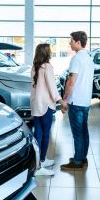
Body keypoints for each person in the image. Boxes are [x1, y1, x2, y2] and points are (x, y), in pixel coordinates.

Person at [60, 31, 94, 171]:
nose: (70, 43)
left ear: (78, 42)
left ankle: (78, 161)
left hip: (76, 102)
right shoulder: (89, 58)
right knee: (84, 131)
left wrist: (64, 100)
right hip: (85, 101)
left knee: (77, 133)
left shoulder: (76, 59)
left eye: (71, 40)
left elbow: (71, 81)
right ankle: (82, 157)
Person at [30, 43, 66, 176]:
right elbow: (52, 87)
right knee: (44, 135)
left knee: (38, 134)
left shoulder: (35, 67)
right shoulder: (47, 67)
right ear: (46, 53)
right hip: (45, 106)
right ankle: (39, 166)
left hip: (36, 105)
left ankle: (40, 161)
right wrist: (61, 101)